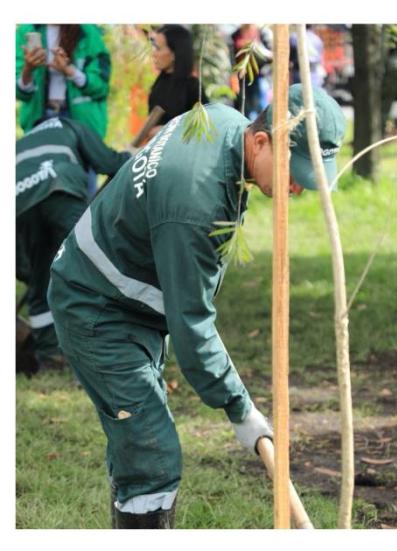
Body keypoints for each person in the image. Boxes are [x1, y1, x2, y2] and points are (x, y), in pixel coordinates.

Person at [47, 84, 346, 528]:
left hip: (126, 296)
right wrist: (240, 408)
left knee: (136, 439)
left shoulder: (224, 121)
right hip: (96, 308)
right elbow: (192, 328)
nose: (297, 189)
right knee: (151, 453)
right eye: (294, 173)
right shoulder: (194, 203)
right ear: (261, 141)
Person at [16, 116, 130, 371]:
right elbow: (108, 162)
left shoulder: (19, 145)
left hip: (20, 203)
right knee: (88, 269)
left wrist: (29, 272)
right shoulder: (67, 124)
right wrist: (135, 158)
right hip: (61, 187)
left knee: (40, 281)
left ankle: (50, 357)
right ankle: (96, 352)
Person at [16, 24, 111, 138]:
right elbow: (19, 92)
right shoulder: (25, 31)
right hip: (38, 121)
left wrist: (70, 71)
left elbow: (101, 87)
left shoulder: (88, 32)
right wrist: (28, 69)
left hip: (82, 124)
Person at [147, 25, 208, 134]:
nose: (153, 53)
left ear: (175, 53)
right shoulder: (160, 82)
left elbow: (203, 128)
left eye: (158, 48)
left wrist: (165, 131)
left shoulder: (192, 87)